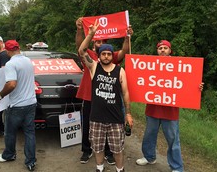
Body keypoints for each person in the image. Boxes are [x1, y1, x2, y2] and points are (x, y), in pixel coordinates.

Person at [136, 40, 204, 172]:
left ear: (170, 51)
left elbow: (187, 83)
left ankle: (177, 167)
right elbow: (140, 81)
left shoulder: (179, 66)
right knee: (149, 135)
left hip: (171, 112)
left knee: (173, 140)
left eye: (165, 48)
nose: (162, 50)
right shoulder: (149, 65)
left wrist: (197, 86)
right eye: (160, 48)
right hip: (152, 109)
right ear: (157, 51)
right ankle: (149, 157)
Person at [75, 17, 133, 164]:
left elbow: (124, 51)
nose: (100, 44)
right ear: (94, 45)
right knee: (89, 125)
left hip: (108, 98)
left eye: (102, 42)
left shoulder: (109, 56)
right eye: (97, 42)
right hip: (89, 96)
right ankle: (87, 150)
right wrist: (81, 30)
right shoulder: (91, 59)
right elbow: (80, 47)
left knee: (109, 125)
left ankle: (108, 153)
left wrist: (127, 36)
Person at [0, 40, 37, 171]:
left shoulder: (10, 64)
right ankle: (30, 161)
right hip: (31, 102)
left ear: (8, 50)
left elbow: (11, 84)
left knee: (10, 132)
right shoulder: (28, 61)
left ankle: (9, 155)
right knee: (30, 133)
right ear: (19, 48)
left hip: (17, 105)